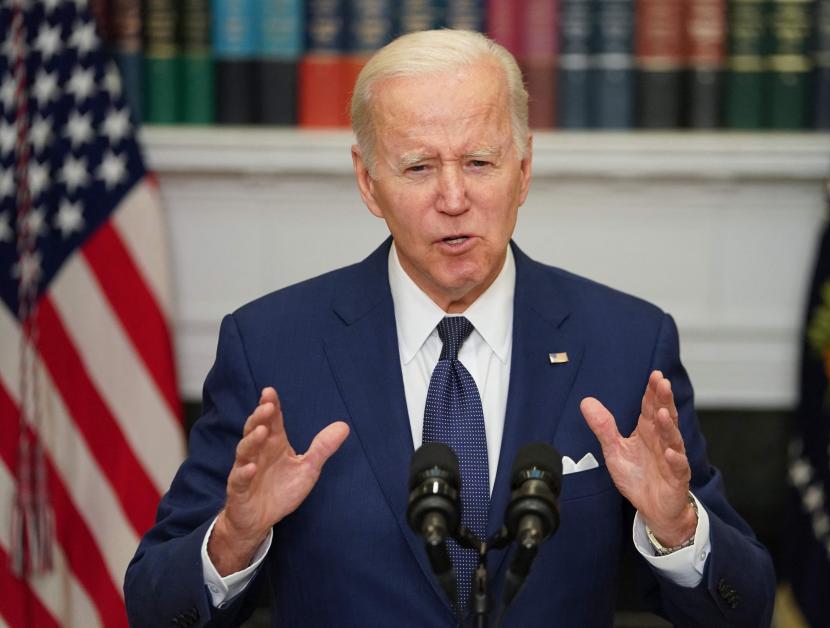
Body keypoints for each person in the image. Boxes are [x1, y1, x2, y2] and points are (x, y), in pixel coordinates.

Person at [124, 30, 775, 628]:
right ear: (368, 181)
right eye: (418, 167)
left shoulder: (626, 346)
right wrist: (236, 538)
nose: (453, 197)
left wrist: (678, 528)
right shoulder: (272, 348)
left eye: (480, 163)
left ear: (523, 169)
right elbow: (155, 606)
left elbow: (745, 610)